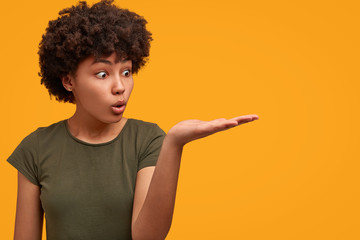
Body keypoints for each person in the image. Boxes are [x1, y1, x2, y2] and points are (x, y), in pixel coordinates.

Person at [6, 0, 259, 239]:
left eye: (126, 72)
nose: (120, 87)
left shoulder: (148, 140)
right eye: (103, 74)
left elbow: (147, 236)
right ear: (68, 81)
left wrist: (173, 143)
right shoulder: (36, 148)